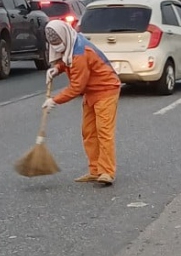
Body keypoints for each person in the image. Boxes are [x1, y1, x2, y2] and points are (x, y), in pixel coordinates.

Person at [42, 20, 122, 185]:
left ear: (64, 36)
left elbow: (77, 87)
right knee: (89, 132)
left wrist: (54, 100)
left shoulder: (81, 53)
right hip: (91, 92)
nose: (58, 48)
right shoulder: (72, 41)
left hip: (106, 90)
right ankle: (95, 170)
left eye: (59, 44)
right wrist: (57, 69)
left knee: (104, 132)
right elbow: (66, 58)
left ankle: (107, 172)